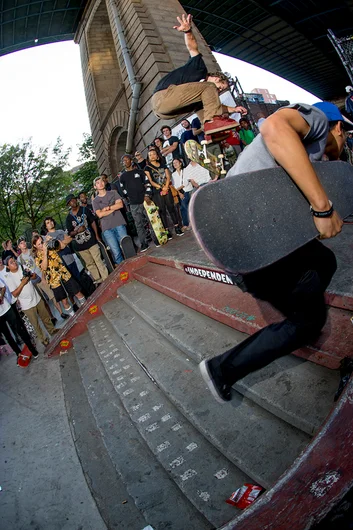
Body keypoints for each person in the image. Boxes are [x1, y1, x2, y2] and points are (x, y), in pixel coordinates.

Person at [199, 101, 350, 403]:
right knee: (307, 321)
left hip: (244, 257)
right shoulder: (318, 120)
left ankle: (293, 310)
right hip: (253, 247)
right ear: (338, 127)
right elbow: (273, 126)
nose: (339, 153)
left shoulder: (300, 162)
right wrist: (323, 207)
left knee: (323, 259)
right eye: (344, 138)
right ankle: (223, 370)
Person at [151, 13, 247, 138]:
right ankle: (212, 122)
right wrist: (188, 31)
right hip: (163, 97)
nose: (218, 91)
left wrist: (235, 109)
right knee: (209, 87)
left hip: (164, 112)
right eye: (221, 87)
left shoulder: (199, 93)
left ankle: (211, 134)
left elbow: (214, 105)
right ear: (217, 78)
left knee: (203, 103)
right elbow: (192, 48)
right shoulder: (199, 69)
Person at [4, 256, 57, 347]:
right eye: (11, 263)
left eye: (14, 261)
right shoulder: (9, 278)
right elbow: (14, 294)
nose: (14, 263)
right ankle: (44, 339)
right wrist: (23, 283)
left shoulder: (22, 267)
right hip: (26, 305)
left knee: (45, 316)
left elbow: (34, 276)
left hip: (36, 297)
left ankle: (52, 330)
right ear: (8, 267)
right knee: (35, 324)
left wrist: (30, 275)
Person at [16, 236, 67, 323]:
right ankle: (52, 318)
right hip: (32, 281)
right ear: (19, 247)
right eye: (21, 243)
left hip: (41, 275)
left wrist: (43, 276)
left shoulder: (32, 251)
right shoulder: (19, 259)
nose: (23, 244)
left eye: (24, 242)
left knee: (52, 295)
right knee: (42, 301)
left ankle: (61, 312)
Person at [32, 235, 85, 316]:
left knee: (77, 292)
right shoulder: (37, 257)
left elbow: (62, 246)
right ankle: (73, 316)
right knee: (64, 301)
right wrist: (45, 252)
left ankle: (86, 307)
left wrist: (54, 239)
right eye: (39, 244)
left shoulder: (49, 246)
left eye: (42, 242)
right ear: (35, 246)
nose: (42, 245)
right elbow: (44, 267)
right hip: (54, 281)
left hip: (64, 274)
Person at [66, 194, 108, 284]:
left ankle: (106, 278)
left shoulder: (84, 210)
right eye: (70, 202)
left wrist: (97, 235)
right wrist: (77, 231)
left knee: (98, 259)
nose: (72, 202)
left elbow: (93, 222)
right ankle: (98, 279)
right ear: (68, 204)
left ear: (76, 200)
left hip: (91, 240)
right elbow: (70, 233)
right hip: (80, 245)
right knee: (89, 263)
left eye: (73, 200)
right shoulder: (68, 218)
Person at [144, 148, 184, 238]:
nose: (152, 156)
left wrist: (166, 187)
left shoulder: (163, 165)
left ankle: (177, 227)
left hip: (167, 189)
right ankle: (166, 231)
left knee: (171, 208)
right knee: (161, 211)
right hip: (157, 192)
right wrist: (161, 187)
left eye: (153, 154)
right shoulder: (147, 168)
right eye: (150, 155)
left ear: (157, 155)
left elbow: (168, 176)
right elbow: (150, 181)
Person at [0, 277, 39, 361]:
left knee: (19, 329)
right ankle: (19, 354)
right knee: (8, 336)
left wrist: (1, 296)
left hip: (7, 308)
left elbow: (3, 287)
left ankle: (32, 350)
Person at [92, 175, 128, 265]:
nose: (100, 184)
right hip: (107, 228)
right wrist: (113, 208)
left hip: (119, 223)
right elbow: (99, 214)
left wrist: (107, 208)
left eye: (101, 181)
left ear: (104, 182)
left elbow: (120, 205)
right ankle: (123, 270)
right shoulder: (95, 201)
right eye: (97, 183)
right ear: (95, 187)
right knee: (116, 252)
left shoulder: (113, 193)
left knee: (127, 247)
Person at [119, 154, 152, 252]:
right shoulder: (122, 176)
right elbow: (123, 190)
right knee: (139, 224)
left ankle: (157, 238)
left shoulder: (140, 172)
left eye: (126, 160)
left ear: (131, 160)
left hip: (145, 202)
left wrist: (147, 195)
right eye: (123, 161)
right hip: (134, 205)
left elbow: (148, 184)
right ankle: (143, 243)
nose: (125, 162)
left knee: (151, 220)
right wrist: (130, 198)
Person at [42, 217, 81, 281]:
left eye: (51, 221)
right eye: (48, 223)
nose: (50, 223)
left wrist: (61, 242)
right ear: (46, 226)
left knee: (78, 277)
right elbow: (61, 246)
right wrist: (64, 242)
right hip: (63, 263)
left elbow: (70, 239)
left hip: (70, 258)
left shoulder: (60, 231)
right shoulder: (47, 237)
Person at [172, 158, 192, 229]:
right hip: (179, 193)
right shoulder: (173, 175)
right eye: (173, 163)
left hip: (187, 190)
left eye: (176, 162)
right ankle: (186, 223)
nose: (175, 164)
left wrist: (178, 189)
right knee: (182, 208)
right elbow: (174, 185)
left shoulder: (185, 170)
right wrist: (179, 192)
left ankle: (190, 222)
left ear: (180, 163)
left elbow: (185, 182)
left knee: (185, 205)